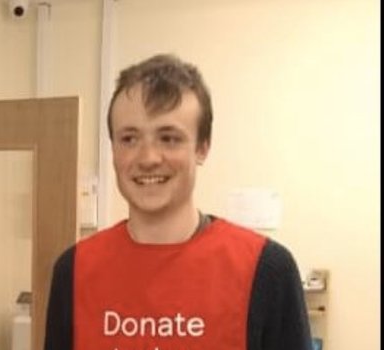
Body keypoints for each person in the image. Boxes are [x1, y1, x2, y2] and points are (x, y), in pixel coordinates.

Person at [44, 54, 312, 350]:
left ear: (202, 148)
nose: (147, 158)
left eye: (169, 138)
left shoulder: (266, 269)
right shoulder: (75, 269)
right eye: (129, 139)